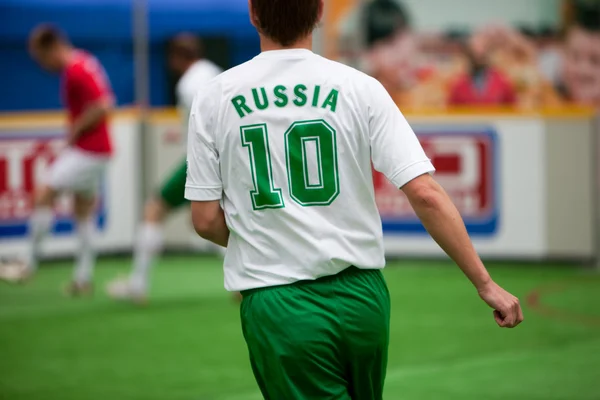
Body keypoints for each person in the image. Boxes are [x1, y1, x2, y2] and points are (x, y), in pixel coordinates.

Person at [185, 0, 524, 398]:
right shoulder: (360, 87)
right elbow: (426, 193)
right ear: (319, 13)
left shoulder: (214, 97)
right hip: (363, 298)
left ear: (253, 14)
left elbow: (206, 220)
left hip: (280, 304)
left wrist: (266, 235)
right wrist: (484, 283)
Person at [106, 34, 222, 304]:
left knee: (154, 209)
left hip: (206, 158)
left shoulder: (188, 84)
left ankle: (138, 283)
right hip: (230, 156)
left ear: (176, 58)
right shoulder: (216, 73)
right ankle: (244, 284)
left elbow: (202, 129)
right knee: (223, 217)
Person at [0, 25, 114, 294]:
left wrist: (76, 129)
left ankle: (28, 263)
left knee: (43, 193)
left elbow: (103, 104)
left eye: (40, 57)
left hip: (89, 149)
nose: (41, 64)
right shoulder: (85, 61)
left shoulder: (75, 69)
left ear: (51, 48)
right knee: (82, 211)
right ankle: (83, 278)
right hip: (98, 150)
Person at [448, 34, 517, 106]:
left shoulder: (502, 81)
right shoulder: (458, 84)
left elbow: (513, 106)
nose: (478, 57)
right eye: (474, 53)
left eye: (482, 53)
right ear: (468, 54)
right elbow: (451, 110)